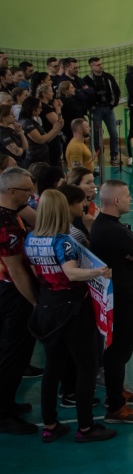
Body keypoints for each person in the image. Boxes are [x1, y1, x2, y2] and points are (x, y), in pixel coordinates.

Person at [25, 189, 115, 443]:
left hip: (47, 307)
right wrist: (99, 272)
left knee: (52, 367)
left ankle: (50, 424)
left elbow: (35, 271)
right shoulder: (63, 241)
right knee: (86, 366)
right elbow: (72, 273)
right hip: (72, 309)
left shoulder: (31, 238)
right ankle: (85, 427)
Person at [90, 180, 133, 425]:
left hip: (123, 292)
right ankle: (116, 406)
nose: (131, 199)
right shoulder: (113, 230)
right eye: (127, 196)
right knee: (120, 350)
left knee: (120, 351)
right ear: (116, 200)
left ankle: (117, 392)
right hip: (123, 297)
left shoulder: (105, 225)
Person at [0, 167, 39, 435]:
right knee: (14, 354)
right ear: (12, 191)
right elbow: (17, 272)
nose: (31, 195)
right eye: (27, 191)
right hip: (13, 294)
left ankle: (7, 403)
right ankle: (3, 413)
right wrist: (35, 303)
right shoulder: (8, 224)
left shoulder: (11, 213)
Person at [85, 57, 122, 166]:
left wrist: (113, 104)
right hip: (95, 110)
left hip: (108, 109)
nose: (101, 66)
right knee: (97, 134)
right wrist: (90, 106)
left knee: (114, 133)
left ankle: (114, 156)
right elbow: (85, 95)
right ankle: (100, 155)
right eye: (97, 65)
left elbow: (117, 91)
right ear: (92, 67)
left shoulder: (108, 77)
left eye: (101, 64)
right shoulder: (87, 79)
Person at [65, 166, 97, 234]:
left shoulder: (90, 205)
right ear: (75, 187)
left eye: (93, 181)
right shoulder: (76, 212)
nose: (93, 186)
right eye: (88, 183)